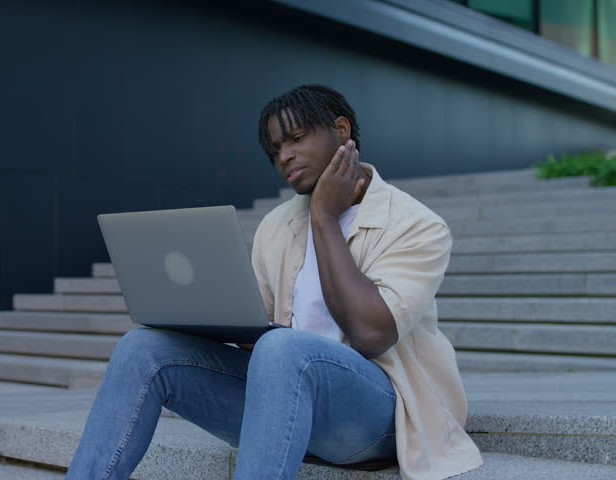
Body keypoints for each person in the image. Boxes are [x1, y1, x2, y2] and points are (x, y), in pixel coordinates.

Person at [66, 84, 483, 480]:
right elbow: (257, 337)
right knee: (142, 349)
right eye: (275, 149)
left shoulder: (416, 224)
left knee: (284, 347)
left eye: (296, 138)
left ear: (341, 131)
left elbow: (371, 334)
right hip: (286, 404)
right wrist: (203, 321)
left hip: (383, 416)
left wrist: (324, 217)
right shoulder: (277, 226)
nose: (284, 156)